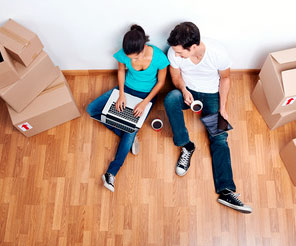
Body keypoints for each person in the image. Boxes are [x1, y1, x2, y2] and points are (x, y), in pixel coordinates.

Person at [164, 22, 252, 213]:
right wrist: (183, 90)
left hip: (211, 95)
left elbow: (226, 79)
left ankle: (226, 191)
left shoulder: (218, 53)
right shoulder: (174, 52)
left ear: (193, 46)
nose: (176, 56)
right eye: (175, 53)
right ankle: (186, 146)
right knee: (171, 98)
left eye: (180, 53)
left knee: (219, 138)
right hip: (189, 92)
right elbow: (176, 75)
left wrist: (222, 108)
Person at [87, 24, 169, 192]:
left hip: (146, 96)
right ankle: (127, 135)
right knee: (92, 110)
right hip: (126, 90)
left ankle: (111, 172)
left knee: (130, 131)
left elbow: (161, 82)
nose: (133, 61)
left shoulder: (159, 57)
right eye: (130, 58)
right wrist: (121, 94)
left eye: (136, 57)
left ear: (144, 48)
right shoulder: (124, 55)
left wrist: (145, 102)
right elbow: (121, 72)